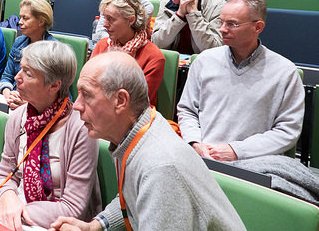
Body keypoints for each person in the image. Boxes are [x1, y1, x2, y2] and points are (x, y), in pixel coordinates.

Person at [49, 52, 245, 231]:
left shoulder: (160, 166)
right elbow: (133, 197)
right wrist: (95, 226)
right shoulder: (132, 133)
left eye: (87, 95)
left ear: (120, 100)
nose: (77, 106)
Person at [0, 41, 101, 229]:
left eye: (28, 73)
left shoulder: (81, 129)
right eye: (20, 69)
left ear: (54, 85)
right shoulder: (17, 117)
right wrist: (7, 197)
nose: (17, 77)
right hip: (17, 206)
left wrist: (19, 211)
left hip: (57, 222)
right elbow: (6, 175)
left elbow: (73, 207)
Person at [178, 0, 304, 161]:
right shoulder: (204, 60)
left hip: (253, 163)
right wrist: (195, 142)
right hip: (202, 157)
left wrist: (236, 150)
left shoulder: (284, 71)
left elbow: (287, 131)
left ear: (257, 27)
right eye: (221, 22)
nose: (222, 29)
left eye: (232, 24)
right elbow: (187, 110)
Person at [91, 0, 164, 105]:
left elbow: (137, 103)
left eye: (110, 19)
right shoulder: (102, 45)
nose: (105, 24)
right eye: (105, 18)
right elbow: (86, 86)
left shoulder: (154, 57)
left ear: (130, 20)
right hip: (97, 109)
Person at [0, 0, 57, 109]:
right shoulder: (19, 42)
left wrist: (29, 104)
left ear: (41, 21)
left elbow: (58, 93)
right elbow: (7, 77)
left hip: (39, 107)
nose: (19, 22)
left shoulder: (53, 50)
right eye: (20, 17)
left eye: (25, 18)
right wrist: (8, 94)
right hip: (12, 100)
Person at [152, 0, 225, 54]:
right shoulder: (167, 2)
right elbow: (157, 43)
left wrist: (194, 15)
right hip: (173, 61)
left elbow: (213, 49)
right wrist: (179, 15)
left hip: (202, 62)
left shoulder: (218, 6)